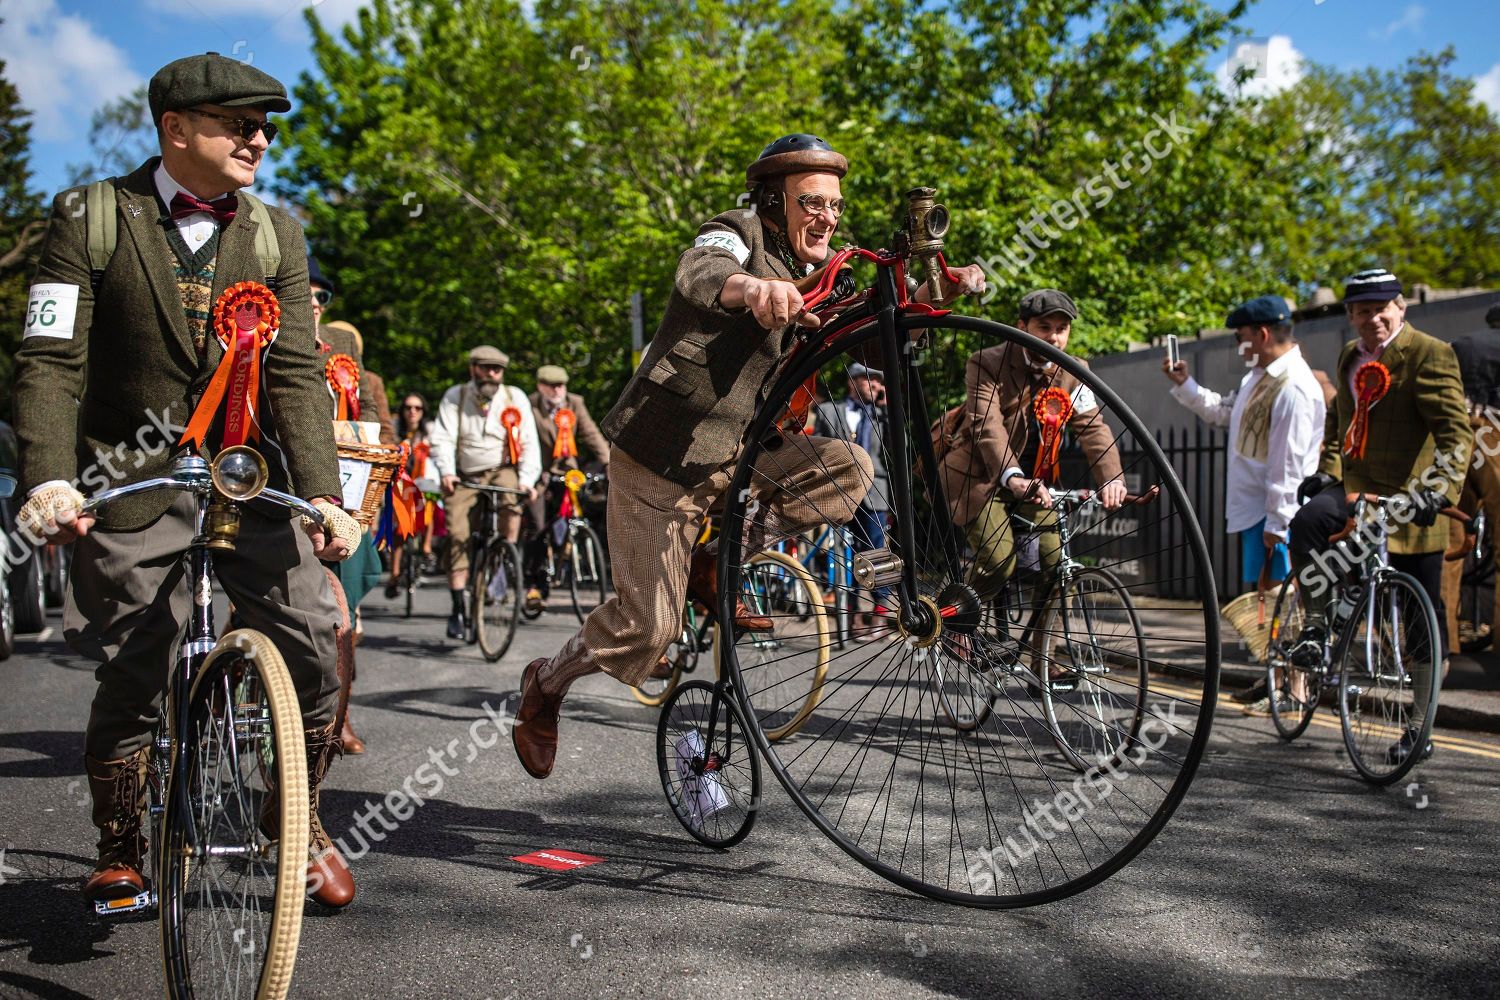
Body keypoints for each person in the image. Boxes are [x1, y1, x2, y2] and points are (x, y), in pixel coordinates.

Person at [509, 133, 987, 780]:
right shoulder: (736, 231)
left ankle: (720, 556)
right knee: (647, 631)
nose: (827, 218)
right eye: (811, 203)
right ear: (773, 201)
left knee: (850, 466)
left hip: (746, 456)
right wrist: (750, 289)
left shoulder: (829, 274)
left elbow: (875, 346)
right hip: (665, 460)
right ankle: (546, 684)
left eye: (835, 206)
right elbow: (700, 272)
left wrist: (936, 297)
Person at [13, 53, 360, 908]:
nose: (260, 139)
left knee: (317, 637)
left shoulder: (276, 230)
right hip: (129, 480)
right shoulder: (91, 216)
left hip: (245, 478)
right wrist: (51, 479)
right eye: (241, 124)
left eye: (266, 127)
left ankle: (297, 817)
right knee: (139, 655)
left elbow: (293, 376)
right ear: (176, 129)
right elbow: (51, 362)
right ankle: (123, 844)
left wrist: (323, 492)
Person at [1287, 268, 1470, 763]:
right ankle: (1318, 627)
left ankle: (1420, 726)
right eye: (1363, 311)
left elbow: (1456, 437)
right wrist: (1327, 472)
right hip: (1356, 495)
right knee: (1306, 524)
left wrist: (1441, 490)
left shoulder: (1431, 354)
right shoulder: (1351, 356)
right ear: (1350, 316)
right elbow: (1337, 424)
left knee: (1422, 624)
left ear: (1401, 307)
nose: (1374, 319)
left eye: (1382, 308)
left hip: (1414, 502)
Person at [936, 289, 1125, 683]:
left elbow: (1093, 428)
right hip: (981, 478)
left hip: (1035, 484)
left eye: (1062, 329)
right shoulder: (987, 362)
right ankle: (954, 617)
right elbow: (986, 425)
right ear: (1022, 327)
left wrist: (1112, 477)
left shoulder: (1074, 371)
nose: (1054, 338)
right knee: (999, 558)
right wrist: (1011, 475)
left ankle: (1044, 657)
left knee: (1059, 567)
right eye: (1045, 328)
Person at [1162, 295, 1328, 708]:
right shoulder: (1261, 378)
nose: (1240, 346)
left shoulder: (1293, 387)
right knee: (1268, 601)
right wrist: (1186, 385)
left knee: (1286, 600)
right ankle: (1275, 678)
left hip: (1276, 514)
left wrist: (1279, 522)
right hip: (1258, 509)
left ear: (1263, 334)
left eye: (1241, 337)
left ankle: (1295, 688)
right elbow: (1224, 413)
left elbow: (1290, 465)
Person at [428, 346, 541, 639]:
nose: (492, 373)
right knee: (458, 534)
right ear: (473, 369)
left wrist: (527, 480)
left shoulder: (514, 397)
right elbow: (442, 438)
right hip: (465, 472)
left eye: (497, 369)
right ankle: (457, 608)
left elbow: (528, 441)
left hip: (501, 467)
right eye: (486, 367)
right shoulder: (457, 395)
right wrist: (447, 473)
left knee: (511, 496)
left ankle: (504, 554)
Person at [814, 362, 892, 639]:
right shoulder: (827, 411)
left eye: (880, 382)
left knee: (875, 554)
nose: (876, 386)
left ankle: (881, 613)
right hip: (838, 491)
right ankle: (852, 614)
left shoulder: (885, 416)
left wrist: (887, 410)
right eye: (869, 380)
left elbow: (896, 451)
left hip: (875, 492)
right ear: (852, 382)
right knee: (843, 555)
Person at [525, 364, 611, 612]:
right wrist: (531, 469)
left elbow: (591, 434)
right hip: (538, 475)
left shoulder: (574, 403)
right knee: (537, 526)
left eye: (561, 385)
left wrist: (607, 462)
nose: (557, 390)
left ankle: (567, 550)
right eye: (551, 386)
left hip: (568, 474)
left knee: (571, 520)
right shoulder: (529, 406)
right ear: (541, 386)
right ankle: (535, 584)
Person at [1440, 303, 1500, 652]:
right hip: (1495, 441)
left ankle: (1445, 639)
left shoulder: (1463, 344)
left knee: (1451, 545)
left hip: (1459, 440)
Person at [385, 392, 438, 595]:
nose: (412, 412)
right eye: (408, 408)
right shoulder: (394, 430)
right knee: (400, 525)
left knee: (429, 500)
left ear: (423, 412)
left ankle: (426, 548)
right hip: (400, 483)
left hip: (424, 483)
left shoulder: (430, 432)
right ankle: (395, 573)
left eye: (417, 408)